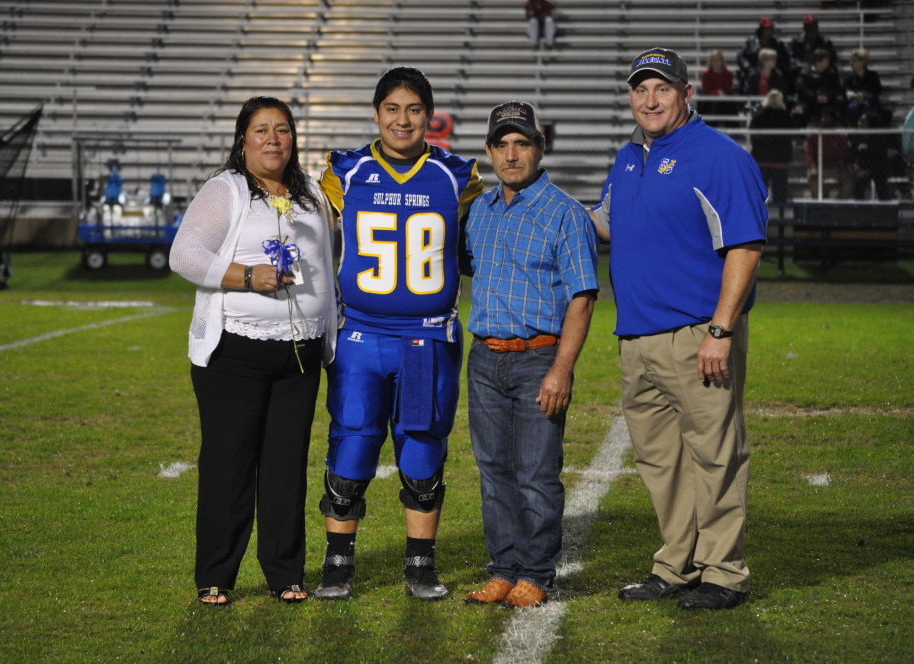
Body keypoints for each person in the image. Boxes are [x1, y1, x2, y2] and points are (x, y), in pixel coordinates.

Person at [590, 48, 768, 610]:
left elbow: (745, 244)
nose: (650, 100)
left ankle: (724, 573)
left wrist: (720, 329)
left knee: (715, 456)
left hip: (697, 336)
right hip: (636, 336)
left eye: (662, 89)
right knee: (661, 461)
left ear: (686, 93)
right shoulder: (627, 156)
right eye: (640, 89)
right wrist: (540, 205)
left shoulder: (719, 157)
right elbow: (607, 224)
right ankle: (678, 564)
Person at [314, 66, 483, 601]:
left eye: (414, 109)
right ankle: (337, 563)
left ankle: (421, 565)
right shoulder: (345, 172)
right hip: (361, 335)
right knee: (353, 442)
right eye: (393, 108)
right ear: (376, 113)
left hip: (428, 336)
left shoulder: (458, 176)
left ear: (429, 117)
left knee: (421, 448)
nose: (403, 119)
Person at [169, 96, 337, 606]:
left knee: (287, 467)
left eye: (282, 130)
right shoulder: (226, 189)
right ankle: (216, 574)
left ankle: (285, 572)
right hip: (235, 354)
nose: (273, 139)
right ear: (243, 139)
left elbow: (332, 260)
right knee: (229, 463)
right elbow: (185, 254)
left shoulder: (311, 192)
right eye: (261, 130)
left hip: (300, 356)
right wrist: (245, 276)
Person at [461, 101, 599, 609]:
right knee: (494, 470)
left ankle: (537, 573)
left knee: (536, 474)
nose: (512, 153)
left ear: (540, 148)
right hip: (484, 358)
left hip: (539, 358)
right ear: (490, 151)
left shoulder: (565, 212)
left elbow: (583, 297)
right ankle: (503, 568)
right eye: (503, 143)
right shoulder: (481, 210)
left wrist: (562, 369)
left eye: (523, 143)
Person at [749, 90, 798, 205]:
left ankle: (757, 218)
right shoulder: (785, 115)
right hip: (781, 159)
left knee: (759, 192)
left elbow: (752, 134)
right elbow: (794, 132)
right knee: (780, 191)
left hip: (761, 158)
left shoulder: (759, 115)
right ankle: (781, 216)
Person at [805, 107, 853, 199]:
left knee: (850, 179)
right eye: (823, 117)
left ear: (833, 120)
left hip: (836, 167)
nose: (823, 119)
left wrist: (848, 165)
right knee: (812, 177)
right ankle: (818, 202)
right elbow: (809, 154)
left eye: (827, 117)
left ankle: (839, 203)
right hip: (819, 167)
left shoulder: (839, 136)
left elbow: (845, 154)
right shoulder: (814, 135)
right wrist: (813, 168)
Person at [736, 16, 791, 89]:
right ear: (761, 29)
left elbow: (786, 58)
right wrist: (748, 67)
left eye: (771, 29)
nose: (769, 31)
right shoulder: (752, 42)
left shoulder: (777, 43)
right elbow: (740, 56)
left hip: (772, 72)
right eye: (767, 29)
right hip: (755, 70)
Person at [792, 48, 842, 128]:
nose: (827, 63)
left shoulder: (832, 74)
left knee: (840, 102)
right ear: (818, 61)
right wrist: (815, 97)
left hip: (828, 101)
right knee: (799, 109)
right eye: (825, 60)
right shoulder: (805, 74)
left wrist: (828, 97)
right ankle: (800, 136)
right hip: (809, 101)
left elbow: (837, 89)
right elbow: (800, 89)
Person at [849, 111, 892, 200]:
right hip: (862, 167)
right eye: (859, 121)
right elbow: (852, 152)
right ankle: (859, 206)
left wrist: (870, 169)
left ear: (870, 123)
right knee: (859, 180)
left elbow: (880, 156)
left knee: (881, 184)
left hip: (878, 167)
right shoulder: (857, 136)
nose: (859, 123)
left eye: (863, 121)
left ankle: (885, 206)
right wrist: (854, 163)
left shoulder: (878, 137)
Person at [842, 49, 883, 127]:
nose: (851, 63)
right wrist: (853, 95)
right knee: (852, 109)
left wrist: (864, 95)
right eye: (851, 61)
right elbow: (844, 89)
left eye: (854, 61)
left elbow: (877, 90)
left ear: (863, 62)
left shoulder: (872, 75)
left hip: (869, 102)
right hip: (853, 102)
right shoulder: (848, 76)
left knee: (868, 110)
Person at [789, 14, 837, 79]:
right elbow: (791, 58)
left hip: (820, 69)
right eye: (810, 26)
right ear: (805, 27)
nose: (812, 28)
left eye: (814, 25)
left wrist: (821, 65)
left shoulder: (825, 42)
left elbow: (832, 58)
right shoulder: (796, 41)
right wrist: (801, 65)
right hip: (801, 69)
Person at [698, 50, 736, 120]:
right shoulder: (705, 74)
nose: (717, 63)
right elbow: (706, 90)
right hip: (710, 102)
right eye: (714, 61)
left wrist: (721, 94)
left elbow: (728, 89)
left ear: (722, 61)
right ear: (711, 62)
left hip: (725, 100)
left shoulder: (728, 74)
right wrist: (717, 93)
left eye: (719, 60)